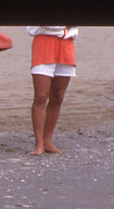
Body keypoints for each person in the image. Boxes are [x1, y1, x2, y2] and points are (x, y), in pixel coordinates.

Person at [28, 26, 77, 155]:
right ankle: (39, 143)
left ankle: (47, 141)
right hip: (44, 43)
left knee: (58, 97)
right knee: (41, 96)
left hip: (66, 43)